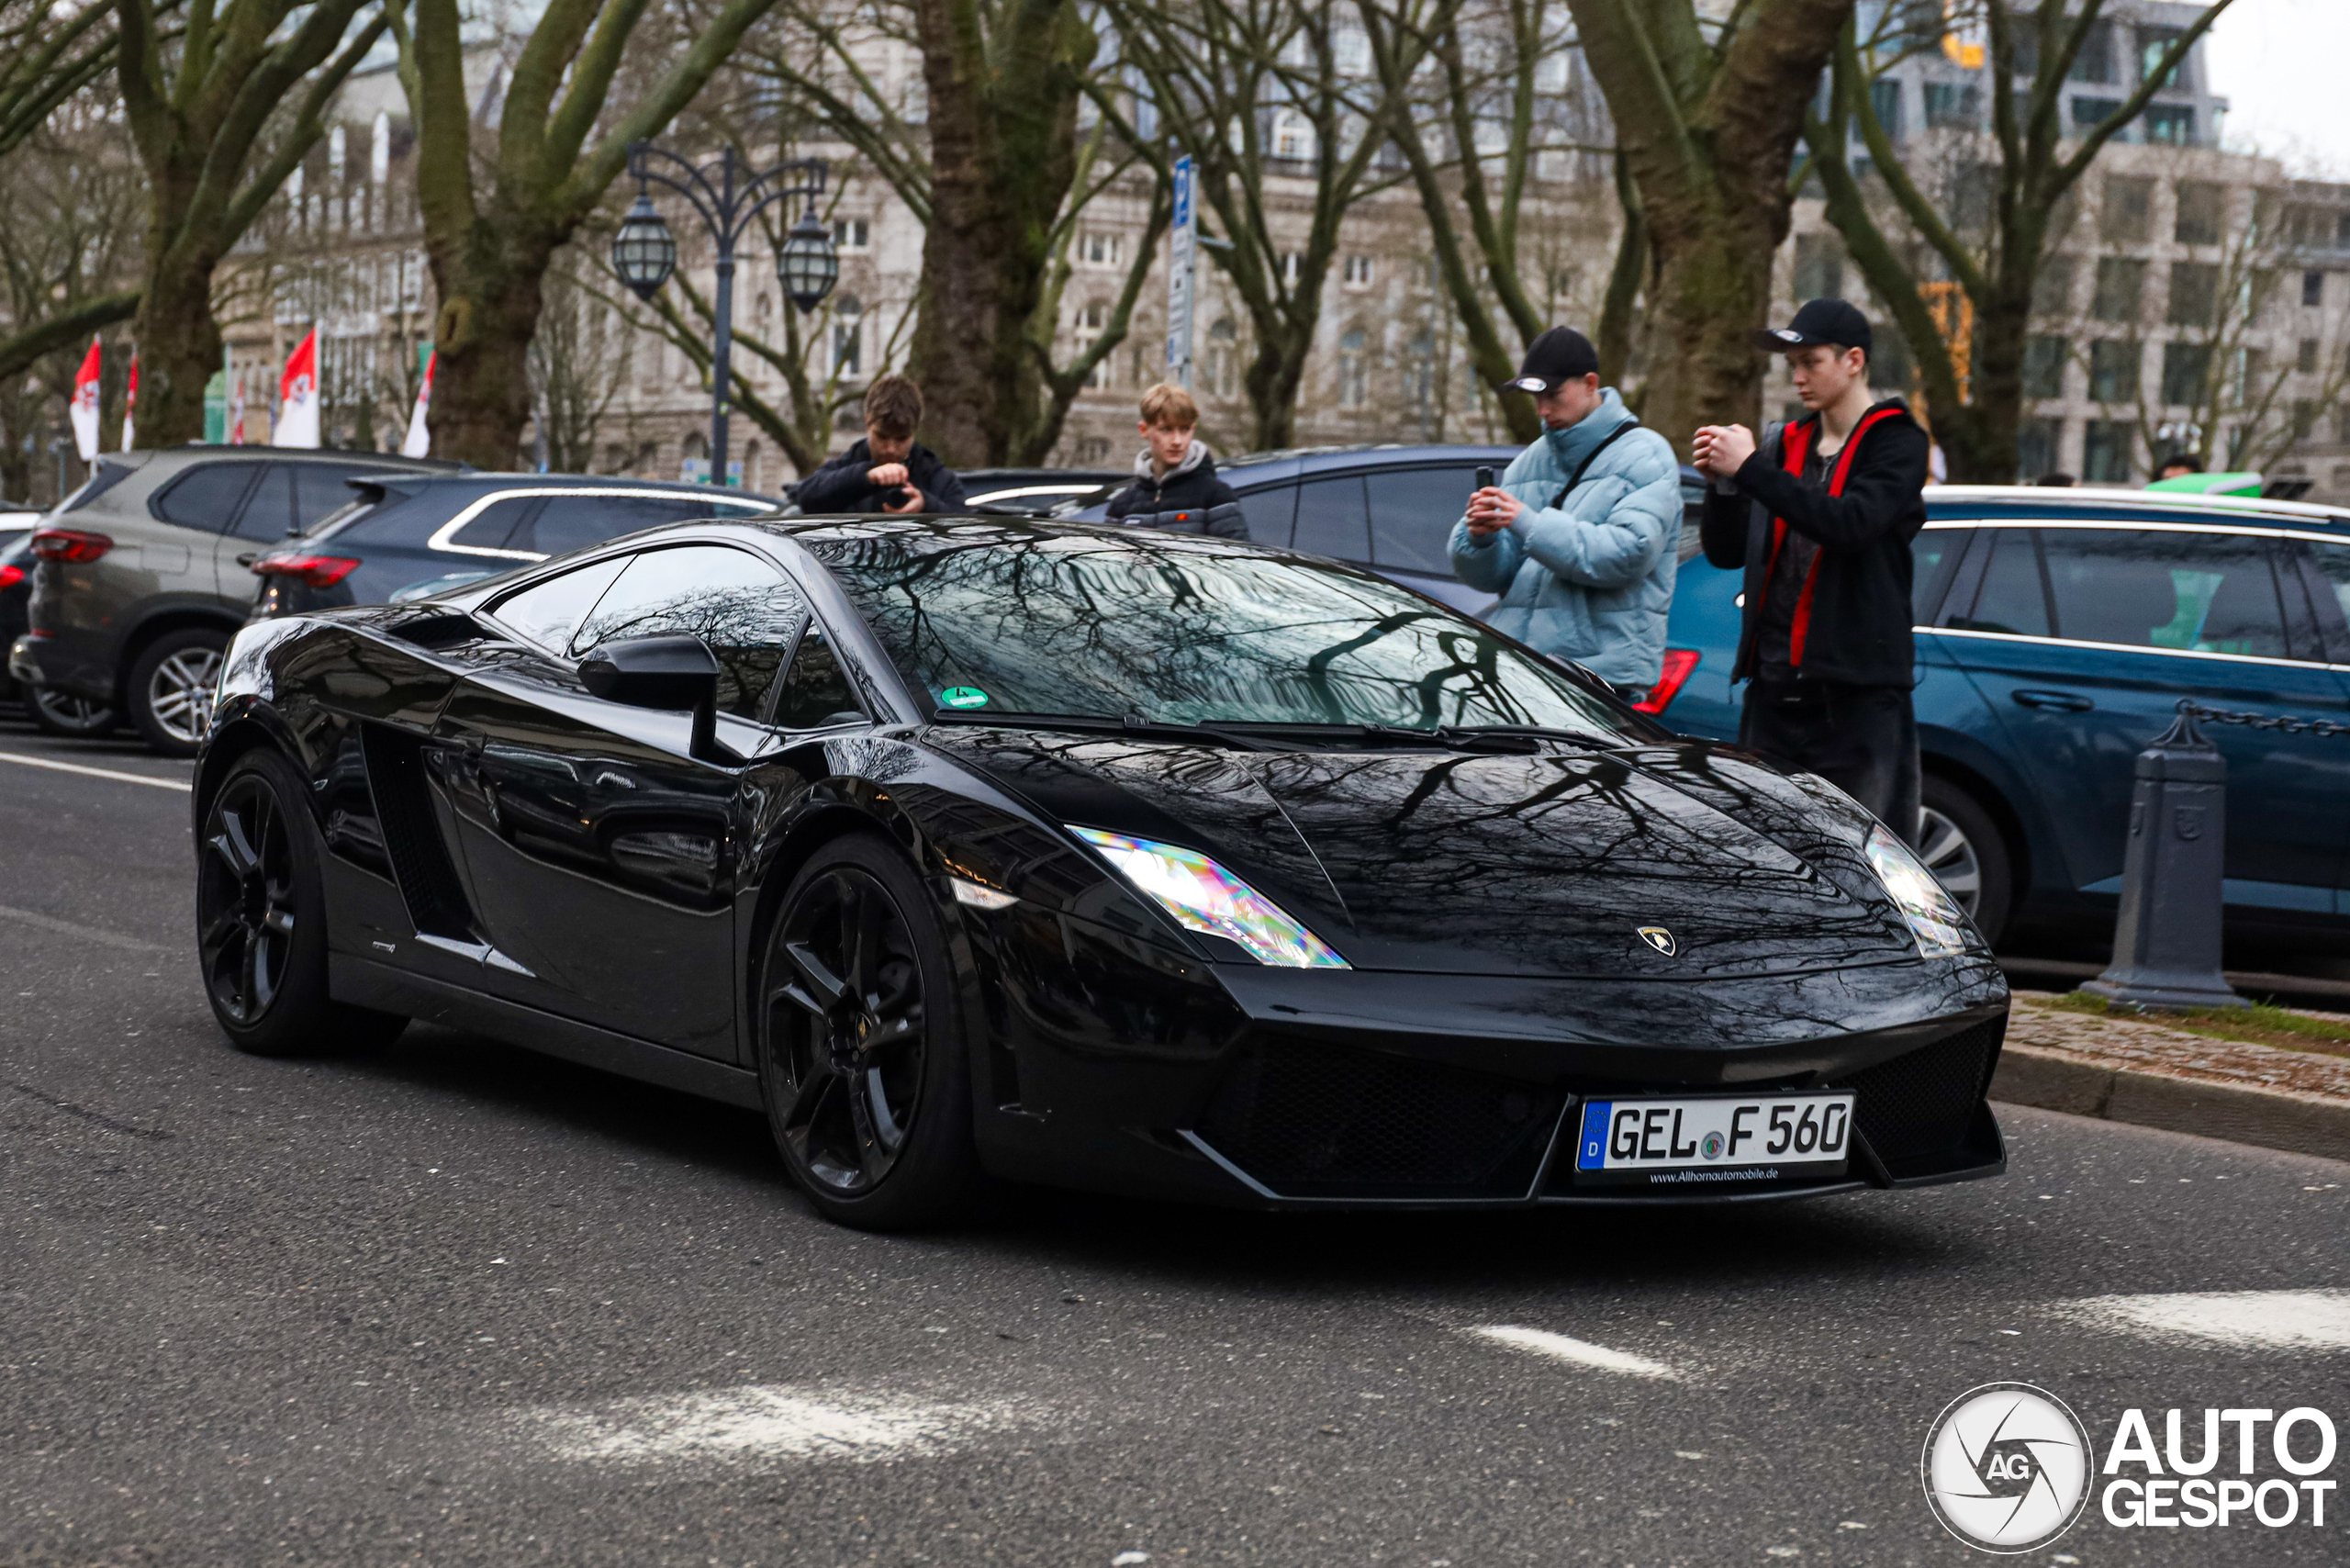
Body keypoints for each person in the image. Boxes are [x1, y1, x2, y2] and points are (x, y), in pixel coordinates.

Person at [1693, 298, 1930, 842]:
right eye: (1791, 364)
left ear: (1853, 360)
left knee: (1861, 860)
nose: (1797, 377)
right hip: (1774, 690)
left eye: (1810, 362)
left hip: (1856, 698)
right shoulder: (1786, 444)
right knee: (1766, 856)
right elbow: (1729, 552)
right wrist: (1724, 485)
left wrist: (1750, 468)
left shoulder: (1897, 441)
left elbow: (1849, 524)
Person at [1448, 326, 1682, 700]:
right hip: (1522, 671)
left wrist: (1528, 523)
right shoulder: (1530, 461)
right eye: (1535, 397)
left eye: (1554, 395)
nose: (1543, 410)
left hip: (1600, 681)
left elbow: (1630, 552)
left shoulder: (1647, 454)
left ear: (1591, 384)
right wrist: (1480, 537)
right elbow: (1493, 577)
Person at [791, 375, 969, 514]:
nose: (890, 449)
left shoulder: (936, 477)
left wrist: (926, 506)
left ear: (914, 431)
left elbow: (967, 528)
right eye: (882, 437)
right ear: (867, 422)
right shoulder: (847, 467)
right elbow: (807, 497)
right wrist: (864, 477)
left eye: (901, 439)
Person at [1104, 382, 1246, 537]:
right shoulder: (1123, 505)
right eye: (1166, 429)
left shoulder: (1216, 497)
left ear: (1193, 430)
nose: (1177, 441)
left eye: (1184, 429)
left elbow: (1238, 558)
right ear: (1144, 430)